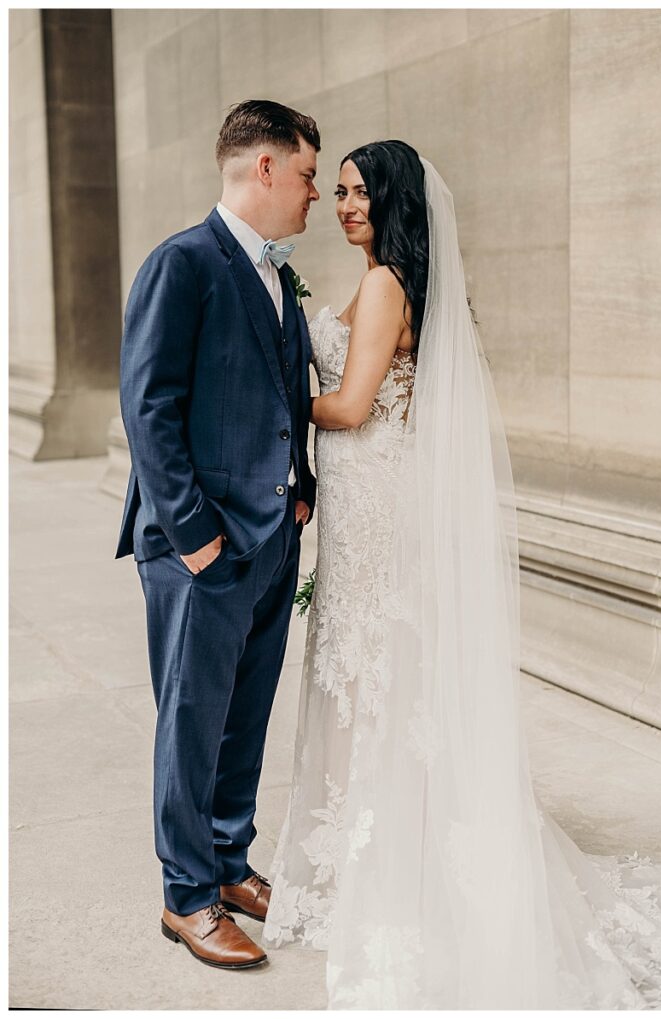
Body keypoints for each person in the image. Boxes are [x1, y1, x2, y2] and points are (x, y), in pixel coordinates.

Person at [263, 140, 661, 1008]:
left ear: (395, 202)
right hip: (372, 500)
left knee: (371, 669)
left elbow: (350, 406)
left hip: (374, 507)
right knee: (373, 668)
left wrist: (272, 391)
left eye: (361, 195)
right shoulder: (395, 278)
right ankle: (371, 848)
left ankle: (384, 862)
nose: (344, 207)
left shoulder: (383, 285)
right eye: (336, 191)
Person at [117, 99, 320, 969]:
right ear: (264, 168)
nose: (316, 193)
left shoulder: (280, 274)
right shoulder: (183, 262)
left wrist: (301, 488)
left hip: (273, 539)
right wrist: (193, 534)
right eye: (309, 174)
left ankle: (230, 860)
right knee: (192, 720)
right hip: (201, 548)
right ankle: (187, 895)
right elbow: (148, 406)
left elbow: (283, 397)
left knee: (245, 717)